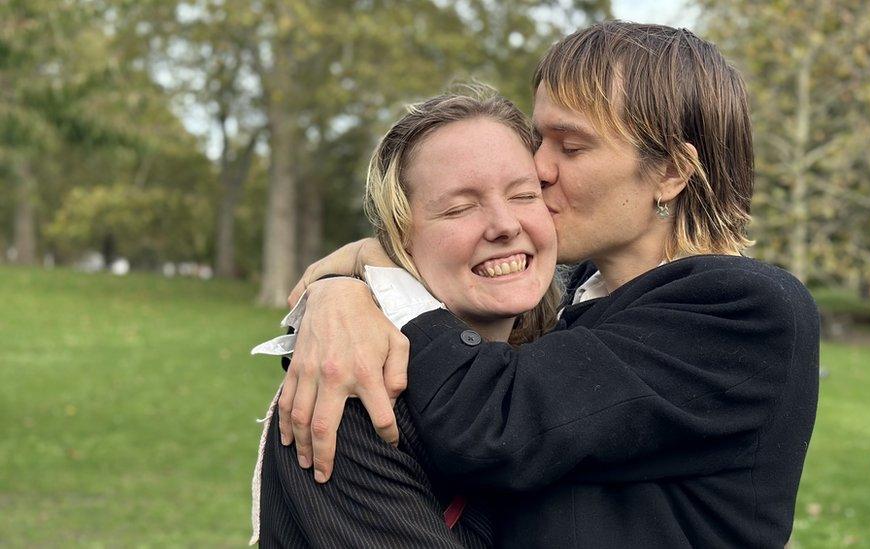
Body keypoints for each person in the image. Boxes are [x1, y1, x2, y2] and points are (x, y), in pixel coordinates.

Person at [281, 21, 820, 548]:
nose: (537, 167)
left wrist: (376, 269)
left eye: (571, 146)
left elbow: (495, 425)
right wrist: (342, 291)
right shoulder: (578, 304)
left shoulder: (743, 310)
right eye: (540, 139)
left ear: (671, 173)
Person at [250, 88, 561, 547]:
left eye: (524, 194)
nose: (505, 225)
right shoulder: (354, 400)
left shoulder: (574, 347)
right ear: (399, 237)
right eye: (459, 207)